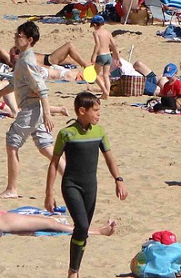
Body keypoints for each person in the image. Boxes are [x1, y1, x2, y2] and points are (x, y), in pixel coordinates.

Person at [45, 92, 126, 278]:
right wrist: (49, 193)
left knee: (83, 230)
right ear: (82, 111)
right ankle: (73, 271)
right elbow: (54, 163)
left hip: (91, 186)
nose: (99, 114)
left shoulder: (99, 132)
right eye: (95, 110)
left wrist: (118, 180)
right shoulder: (66, 134)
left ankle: (76, 269)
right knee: (81, 226)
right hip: (71, 185)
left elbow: (110, 158)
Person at [0, 21, 56, 199]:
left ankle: (11, 189)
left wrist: (47, 114)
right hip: (32, 108)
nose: (16, 38)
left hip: (31, 109)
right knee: (46, 148)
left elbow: (42, 88)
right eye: (16, 34)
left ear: (29, 40)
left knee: (12, 144)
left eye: (19, 36)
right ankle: (71, 177)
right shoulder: (22, 59)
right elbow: (14, 84)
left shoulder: (27, 61)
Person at [90, 15, 119, 99]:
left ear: (95, 25)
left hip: (101, 55)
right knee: (106, 75)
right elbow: (114, 45)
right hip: (108, 55)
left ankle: (105, 92)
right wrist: (118, 57)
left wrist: (94, 55)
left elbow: (98, 45)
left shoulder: (96, 33)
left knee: (95, 75)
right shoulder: (108, 33)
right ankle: (107, 92)